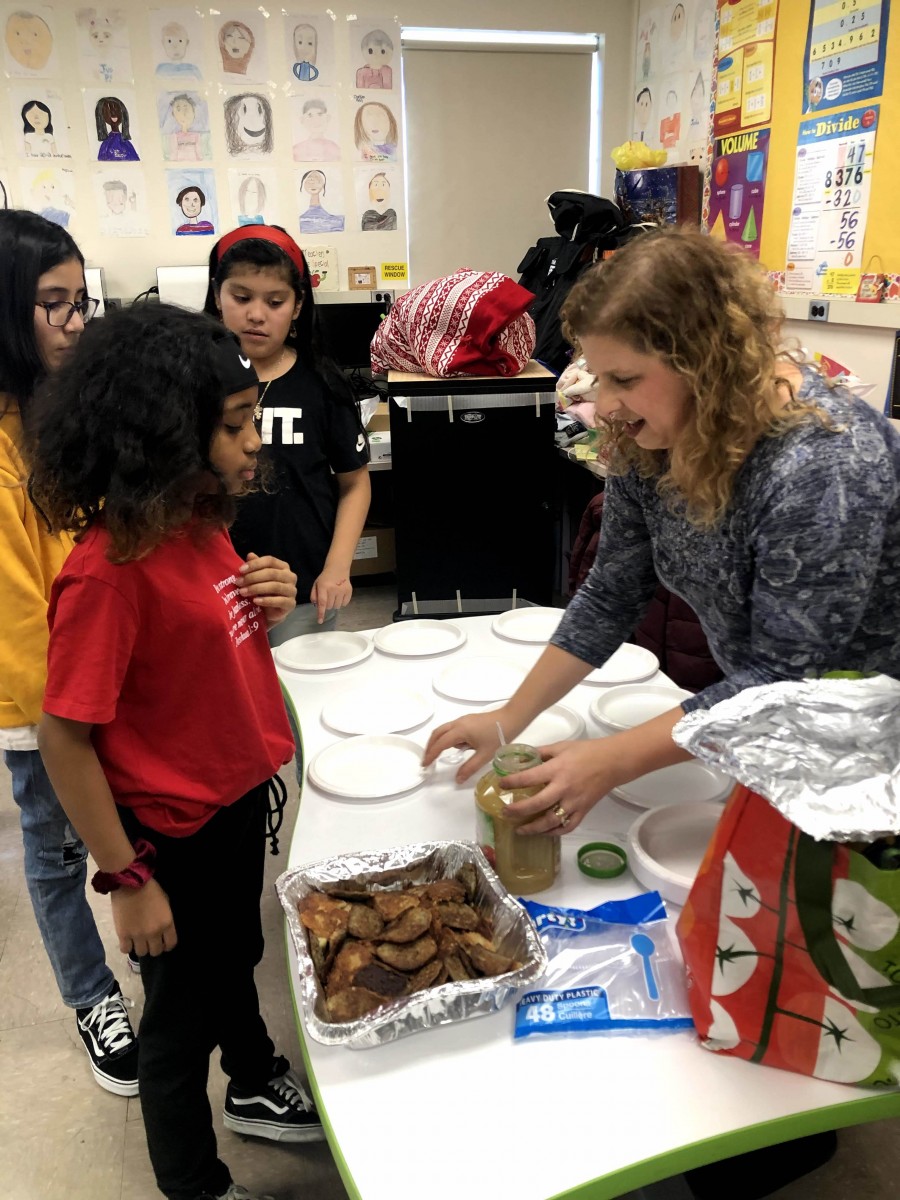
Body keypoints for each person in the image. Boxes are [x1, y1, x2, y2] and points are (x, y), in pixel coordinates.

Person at [424, 226, 900, 834]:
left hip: (863, 741)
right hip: (765, 724)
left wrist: (610, 760)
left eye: (624, 380)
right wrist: (508, 718)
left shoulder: (824, 465)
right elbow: (612, 591)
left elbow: (786, 682)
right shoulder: (653, 440)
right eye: (600, 377)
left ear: (707, 363)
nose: (609, 404)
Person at [30, 304, 323, 1200]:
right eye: (234, 426)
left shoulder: (196, 519)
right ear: (165, 435)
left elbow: (198, 650)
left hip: (233, 804)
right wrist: (128, 880)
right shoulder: (109, 571)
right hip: (170, 840)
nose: (252, 442)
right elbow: (64, 736)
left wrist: (260, 595)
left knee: (235, 955)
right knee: (174, 1027)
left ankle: (253, 1077)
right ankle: (194, 1183)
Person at [0, 208, 138, 1097]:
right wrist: (66, 719)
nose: (76, 322)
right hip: (44, 702)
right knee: (54, 854)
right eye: (54, 304)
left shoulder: (66, 412)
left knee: (126, 827)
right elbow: (16, 612)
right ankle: (92, 996)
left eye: (82, 302)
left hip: (104, 674)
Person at [203, 224, 370, 640]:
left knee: (303, 696)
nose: (256, 314)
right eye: (241, 297)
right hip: (213, 587)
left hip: (303, 588)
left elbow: (354, 483)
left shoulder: (322, 385)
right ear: (217, 294)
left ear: (297, 307)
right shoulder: (193, 382)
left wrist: (337, 568)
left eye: (275, 301)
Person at [298, 168, 344, 233]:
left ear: (323, 185)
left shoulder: (337, 220)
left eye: (318, 180)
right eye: (310, 180)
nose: (313, 184)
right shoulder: (300, 219)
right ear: (303, 184)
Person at [95, 95, 139, 161]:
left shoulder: (126, 143)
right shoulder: (106, 145)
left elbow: (136, 160)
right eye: (109, 111)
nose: (113, 113)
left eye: (116, 110)